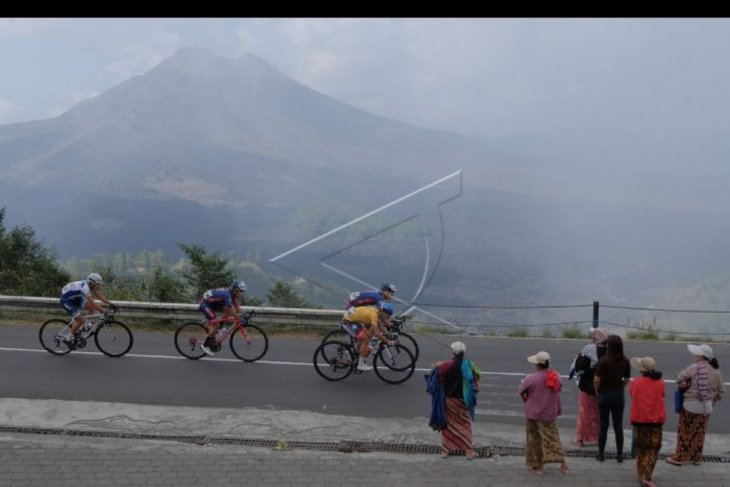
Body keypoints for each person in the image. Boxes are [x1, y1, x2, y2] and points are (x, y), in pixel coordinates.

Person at [666, 344, 725, 466]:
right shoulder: (716, 371)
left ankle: (679, 458)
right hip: (706, 407)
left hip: (691, 405)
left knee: (684, 432)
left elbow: (678, 379)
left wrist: (682, 373)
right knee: (700, 432)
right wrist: (712, 401)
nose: (694, 355)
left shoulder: (694, 367)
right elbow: (721, 392)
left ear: (701, 356)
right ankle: (697, 458)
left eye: (697, 353)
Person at [518, 351, 570, 476]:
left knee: (534, 439)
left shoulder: (531, 378)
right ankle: (563, 464)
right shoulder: (556, 376)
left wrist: (526, 397)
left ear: (537, 365)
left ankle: (538, 466)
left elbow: (521, 391)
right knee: (552, 438)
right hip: (549, 413)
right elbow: (558, 389)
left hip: (533, 414)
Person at [432, 341, 481, 460]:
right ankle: (469, 452)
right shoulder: (470, 365)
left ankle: (445, 451)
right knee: (465, 423)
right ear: (464, 352)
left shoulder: (445, 365)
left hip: (449, 400)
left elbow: (439, 379)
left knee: (448, 425)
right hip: (464, 400)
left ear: (453, 352)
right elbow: (477, 379)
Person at [569, 327, 609, 446]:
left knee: (584, 413)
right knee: (599, 414)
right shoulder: (609, 351)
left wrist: (577, 358)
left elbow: (580, 366)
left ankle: (580, 439)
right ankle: (598, 438)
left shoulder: (588, 349)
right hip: (603, 388)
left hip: (587, 387)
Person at [629, 356, 665, 487]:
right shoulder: (661, 382)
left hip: (639, 420)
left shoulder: (635, 382)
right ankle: (647, 476)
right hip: (656, 421)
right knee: (653, 448)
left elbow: (632, 394)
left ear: (641, 370)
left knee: (641, 447)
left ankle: (641, 473)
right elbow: (662, 395)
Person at [594, 334, 631, 462]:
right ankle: (619, 455)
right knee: (618, 425)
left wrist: (597, 391)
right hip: (618, 395)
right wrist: (620, 386)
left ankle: (601, 454)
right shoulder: (625, 361)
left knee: (603, 425)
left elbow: (597, 379)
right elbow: (627, 379)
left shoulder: (604, 360)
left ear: (609, 346)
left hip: (604, 394)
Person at [58, 273, 117, 346]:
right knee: (81, 320)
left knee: (90, 307)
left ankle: (87, 325)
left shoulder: (90, 286)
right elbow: (93, 303)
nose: (98, 287)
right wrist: (104, 310)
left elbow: (99, 296)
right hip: (66, 300)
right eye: (97, 285)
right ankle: (68, 339)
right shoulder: (85, 288)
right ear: (92, 284)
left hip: (74, 298)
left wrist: (111, 304)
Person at [341, 301, 395, 371]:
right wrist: (388, 342)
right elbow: (377, 333)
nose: (388, 317)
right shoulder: (374, 315)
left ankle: (358, 354)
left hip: (352, 320)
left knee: (366, 335)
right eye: (388, 315)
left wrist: (387, 333)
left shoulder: (377, 312)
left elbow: (379, 325)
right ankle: (360, 365)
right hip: (347, 322)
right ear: (383, 312)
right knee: (365, 339)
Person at [198, 279, 246, 356]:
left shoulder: (233, 294)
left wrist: (245, 314)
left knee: (227, 310)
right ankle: (205, 345)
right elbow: (231, 309)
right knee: (216, 325)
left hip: (212, 303)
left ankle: (219, 328)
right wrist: (238, 317)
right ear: (236, 290)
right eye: (241, 291)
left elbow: (236, 307)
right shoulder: (227, 295)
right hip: (205, 304)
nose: (243, 293)